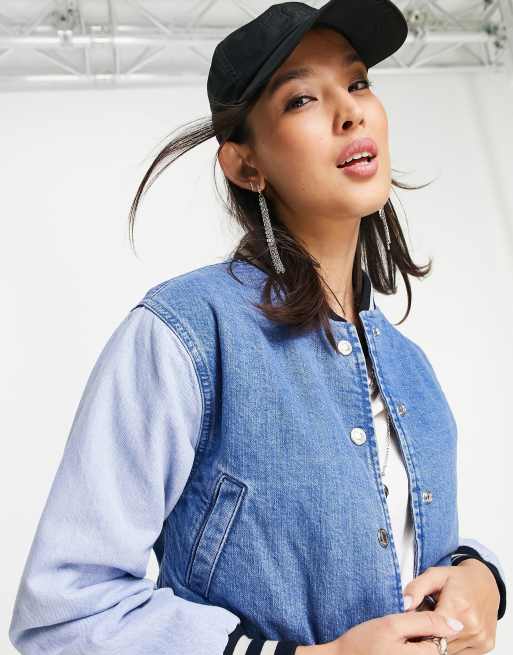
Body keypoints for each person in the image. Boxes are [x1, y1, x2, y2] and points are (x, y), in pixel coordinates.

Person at [8, 2, 507, 655]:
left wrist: (480, 575)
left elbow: (401, 544)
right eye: (301, 99)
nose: (350, 112)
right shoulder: (186, 333)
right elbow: (65, 615)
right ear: (246, 165)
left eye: (357, 82)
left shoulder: (409, 364)